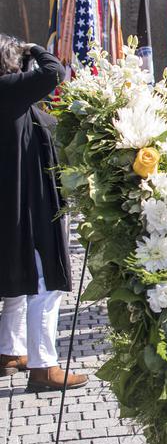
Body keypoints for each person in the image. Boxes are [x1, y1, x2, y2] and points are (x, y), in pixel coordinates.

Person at [0, 35, 88, 391]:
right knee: (43, 284)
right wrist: (32, 47)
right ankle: (43, 367)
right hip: (24, 206)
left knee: (17, 284)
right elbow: (55, 71)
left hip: (10, 205)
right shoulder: (7, 89)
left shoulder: (11, 97)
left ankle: (9, 353)